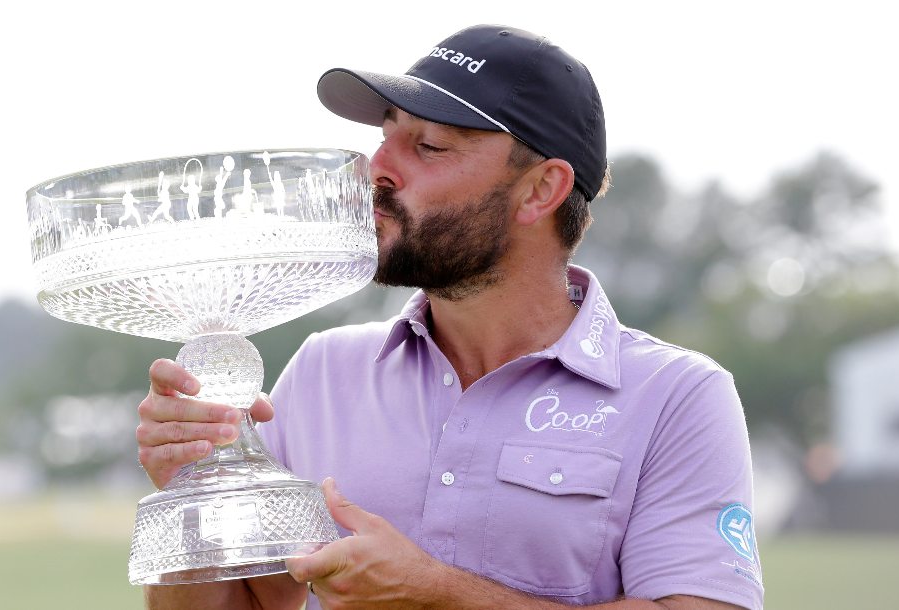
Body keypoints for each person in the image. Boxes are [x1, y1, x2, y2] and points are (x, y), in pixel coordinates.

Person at [136, 24, 764, 610]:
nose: (377, 167)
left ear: (541, 190)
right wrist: (192, 496)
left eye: (428, 146)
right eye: (385, 135)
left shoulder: (678, 397)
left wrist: (435, 592)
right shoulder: (323, 370)